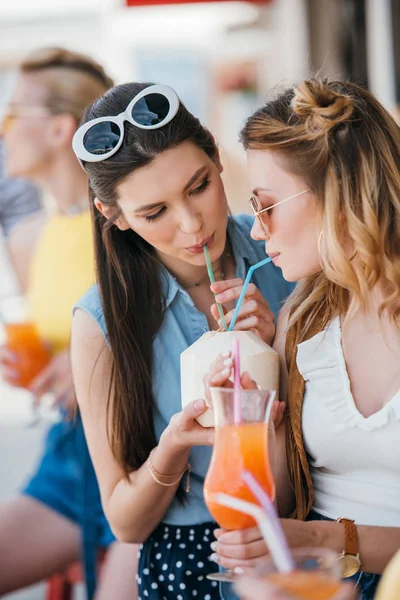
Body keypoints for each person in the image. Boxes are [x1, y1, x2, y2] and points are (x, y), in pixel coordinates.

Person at [70, 81, 294, 600]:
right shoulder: (103, 321)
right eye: (155, 213)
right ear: (115, 217)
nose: (192, 224)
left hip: (304, 536)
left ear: (217, 159)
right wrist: (174, 445)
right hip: (190, 557)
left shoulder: (286, 255)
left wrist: (277, 345)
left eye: (199, 186)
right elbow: (125, 523)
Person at [207, 78, 400, 600]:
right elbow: (285, 499)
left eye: (266, 205)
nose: (258, 230)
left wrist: (322, 538)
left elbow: (307, 531)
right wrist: (254, 400)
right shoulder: (303, 322)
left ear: (337, 195)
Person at [0, 47, 138, 600]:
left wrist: (88, 362)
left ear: (59, 129)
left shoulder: (130, 228)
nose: (2, 127)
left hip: (141, 450)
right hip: (71, 453)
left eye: (12, 112)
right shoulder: (29, 235)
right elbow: (55, 357)